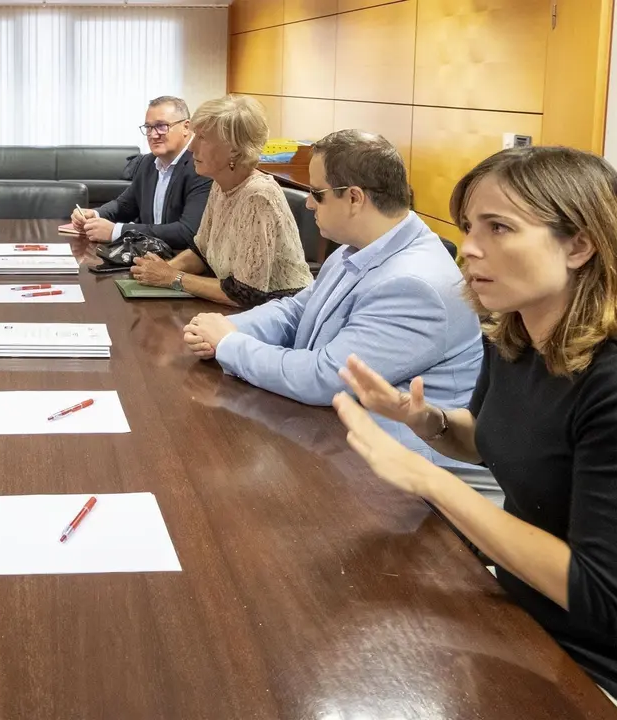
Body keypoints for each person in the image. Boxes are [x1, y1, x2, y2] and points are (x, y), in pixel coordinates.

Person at [331, 146, 617, 696]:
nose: (469, 248)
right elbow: (492, 445)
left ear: (579, 244)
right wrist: (427, 421)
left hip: (591, 664)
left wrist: (427, 478)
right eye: (467, 227)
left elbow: (597, 593)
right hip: (522, 610)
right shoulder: (515, 339)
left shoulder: (608, 381)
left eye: (500, 228)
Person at [182, 130, 486, 479]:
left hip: (405, 478)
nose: (308, 203)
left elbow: (324, 377)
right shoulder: (355, 247)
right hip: (338, 439)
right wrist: (229, 328)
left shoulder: (413, 285)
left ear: (355, 198)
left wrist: (229, 344)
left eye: (316, 193)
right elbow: (297, 310)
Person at [128, 95, 312, 308]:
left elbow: (245, 293)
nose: (191, 147)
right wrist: (160, 269)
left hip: (283, 313)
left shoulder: (258, 196)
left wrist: (173, 277)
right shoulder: (220, 183)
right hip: (237, 307)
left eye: (203, 138)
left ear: (234, 148)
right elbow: (202, 252)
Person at [69, 96, 211, 250]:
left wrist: (116, 231)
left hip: (182, 264)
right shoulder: (147, 163)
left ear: (186, 127)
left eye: (161, 126)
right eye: (148, 127)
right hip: (147, 257)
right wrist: (95, 215)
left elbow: (187, 233)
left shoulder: (201, 166)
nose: (153, 135)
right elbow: (125, 205)